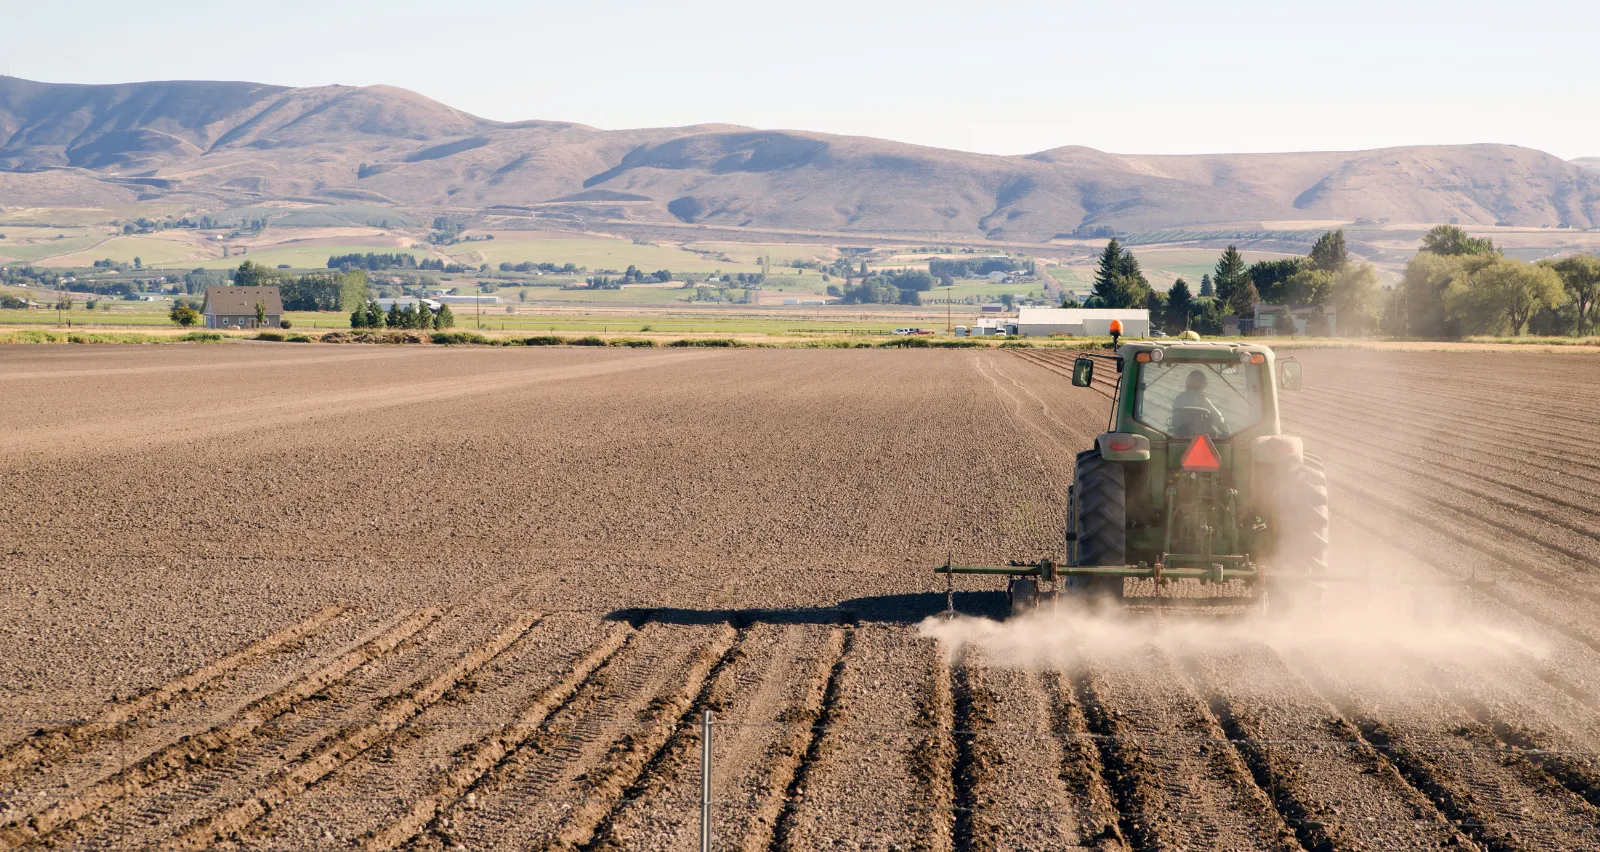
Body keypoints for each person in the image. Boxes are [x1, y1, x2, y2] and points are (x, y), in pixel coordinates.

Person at [1171, 369, 1226, 434]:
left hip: (1180, 437)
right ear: (1200, 384)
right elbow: (1218, 419)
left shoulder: (1179, 398)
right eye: (1205, 383)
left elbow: (1174, 419)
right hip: (1200, 436)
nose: (1206, 385)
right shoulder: (1202, 399)